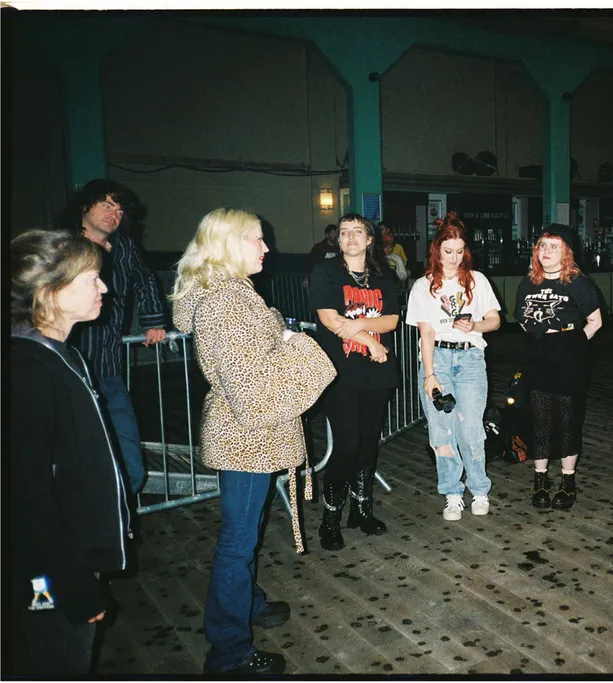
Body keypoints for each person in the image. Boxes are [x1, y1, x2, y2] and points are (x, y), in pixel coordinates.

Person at [170, 208, 336, 675]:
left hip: (250, 433)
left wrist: (277, 329)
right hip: (247, 434)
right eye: (257, 240)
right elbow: (254, 389)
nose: (267, 248)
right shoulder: (225, 302)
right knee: (238, 542)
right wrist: (301, 348)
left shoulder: (232, 292)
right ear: (227, 244)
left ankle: (249, 603)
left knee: (248, 529)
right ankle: (229, 652)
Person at [10, 229, 131, 675]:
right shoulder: (24, 372)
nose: (105, 287)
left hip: (71, 557)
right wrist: (72, 586)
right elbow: (26, 501)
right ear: (49, 292)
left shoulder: (64, 355)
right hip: (47, 573)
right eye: (92, 279)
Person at [53, 179, 167, 498]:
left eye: (119, 209)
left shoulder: (124, 247)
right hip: (66, 372)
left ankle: (113, 528)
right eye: (106, 204)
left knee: (131, 467)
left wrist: (153, 321)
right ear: (84, 207)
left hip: (108, 371)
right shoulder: (61, 245)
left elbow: (145, 280)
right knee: (73, 462)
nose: (114, 213)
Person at [309, 213, 399, 548]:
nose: (350, 237)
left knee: (367, 444)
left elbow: (391, 319)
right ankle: (330, 518)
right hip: (340, 372)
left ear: (369, 239)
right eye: (344, 232)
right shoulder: (326, 272)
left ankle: (361, 510)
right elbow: (330, 320)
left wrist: (358, 327)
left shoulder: (381, 276)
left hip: (376, 373)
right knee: (347, 444)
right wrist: (370, 341)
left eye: (357, 232)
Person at [405, 212, 502, 520]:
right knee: (441, 430)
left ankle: (479, 489)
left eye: (460, 251)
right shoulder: (423, 286)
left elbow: (495, 320)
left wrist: (474, 325)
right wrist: (429, 374)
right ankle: (451, 492)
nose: (454, 257)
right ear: (437, 250)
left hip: (471, 358)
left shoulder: (478, 280)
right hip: (439, 360)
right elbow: (427, 333)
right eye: (448, 251)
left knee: (471, 428)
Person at [515, 224, 602, 511]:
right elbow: (521, 319)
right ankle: (540, 480)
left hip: (569, 356)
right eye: (543, 246)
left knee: (567, 421)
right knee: (538, 420)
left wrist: (574, 344)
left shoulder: (578, 282)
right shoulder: (528, 282)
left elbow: (595, 321)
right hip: (536, 355)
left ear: (566, 251)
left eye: (554, 246)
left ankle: (567, 481)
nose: (547, 251)